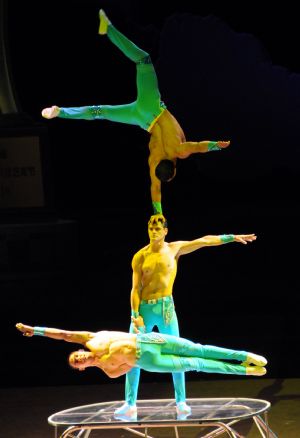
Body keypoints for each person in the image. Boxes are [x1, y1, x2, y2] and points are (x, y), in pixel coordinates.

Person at [41, 9, 230, 215]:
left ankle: (109, 30)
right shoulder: (153, 162)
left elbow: (199, 146)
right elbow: (154, 190)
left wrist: (217, 146)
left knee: (143, 59)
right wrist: (157, 213)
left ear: (175, 170)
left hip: (152, 109)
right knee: (100, 112)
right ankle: (59, 112)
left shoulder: (179, 151)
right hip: (140, 119)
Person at [116, 213, 257, 418]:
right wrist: (134, 315)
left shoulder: (174, 249)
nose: (154, 231)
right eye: (150, 227)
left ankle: (181, 401)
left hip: (165, 309)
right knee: (132, 354)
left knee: (179, 353)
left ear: (165, 231)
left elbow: (204, 241)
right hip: (144, 310)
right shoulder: (140, 256)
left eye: (158, 228)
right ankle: (130, 404)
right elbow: (135, 289)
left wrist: (231, 237)